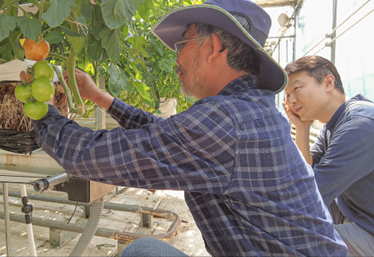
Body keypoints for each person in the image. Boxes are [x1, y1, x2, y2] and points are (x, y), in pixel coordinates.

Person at [32, 0, 348, 256]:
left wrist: (38, 111)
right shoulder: (248, 109)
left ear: (212, 47)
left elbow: (93, 156)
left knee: (141, 251)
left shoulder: (228, 120)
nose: (176, 58)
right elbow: (167, 134)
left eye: (182, 44)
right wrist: (101, 98)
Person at [283, 55, 374, 256]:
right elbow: (304, 174)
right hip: (359, 219)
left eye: (296, 89)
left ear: (328, 82)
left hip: (368, 228)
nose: (291, 100)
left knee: (291, 241)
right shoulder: (333, 124)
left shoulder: (360, 124)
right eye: (287, 95)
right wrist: (302, 128)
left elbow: (311, 195)